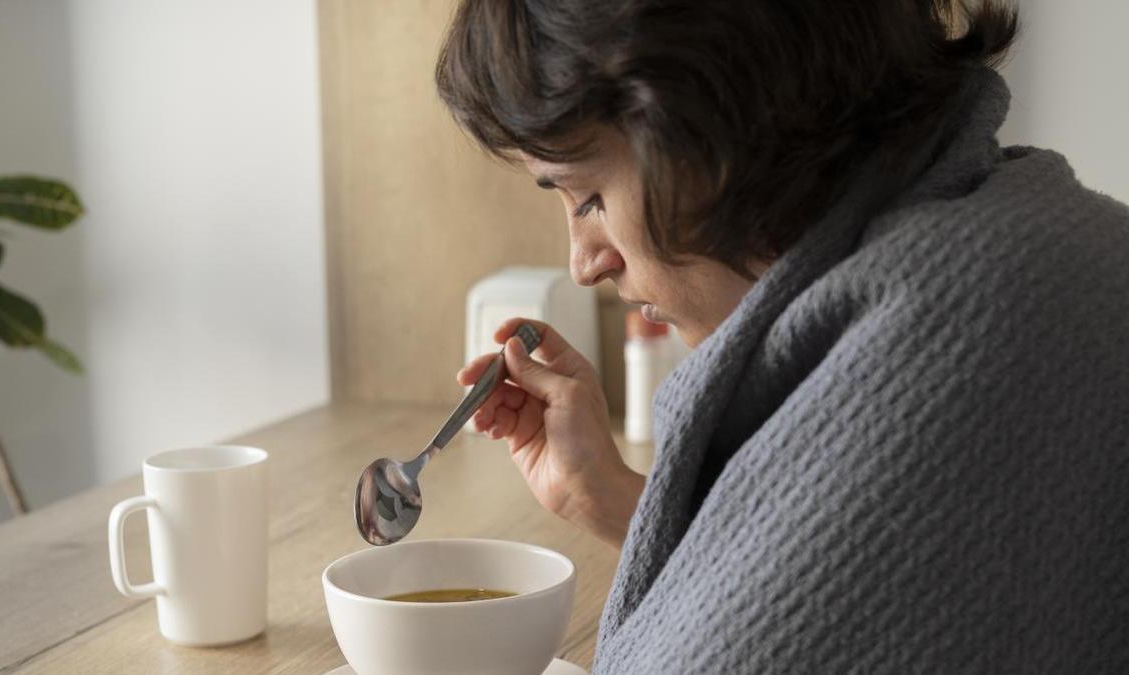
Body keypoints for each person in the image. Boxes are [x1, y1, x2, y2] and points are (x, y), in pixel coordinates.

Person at [440, 1, 1129, 672]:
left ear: (707, 126)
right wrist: (610, 495)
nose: (584, 261)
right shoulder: (1025, 231)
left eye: (588, 196)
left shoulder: (959, 331)